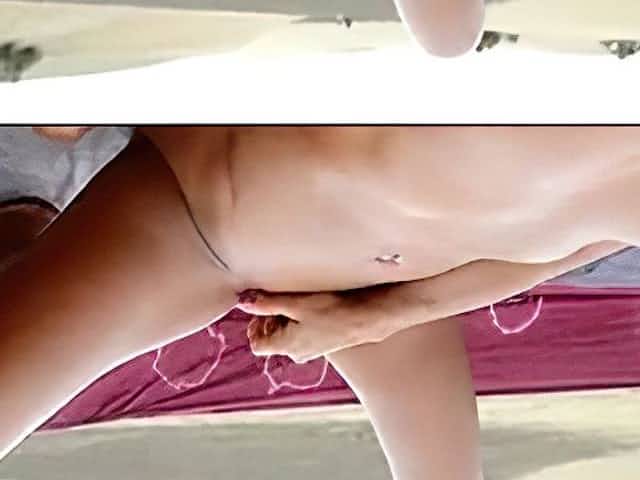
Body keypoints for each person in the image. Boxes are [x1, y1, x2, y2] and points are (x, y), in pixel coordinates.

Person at [1, 126, 634, 479]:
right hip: (216, 212)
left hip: (370, 283)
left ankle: (20, 238)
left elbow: (585, 238)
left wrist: (389, 312)